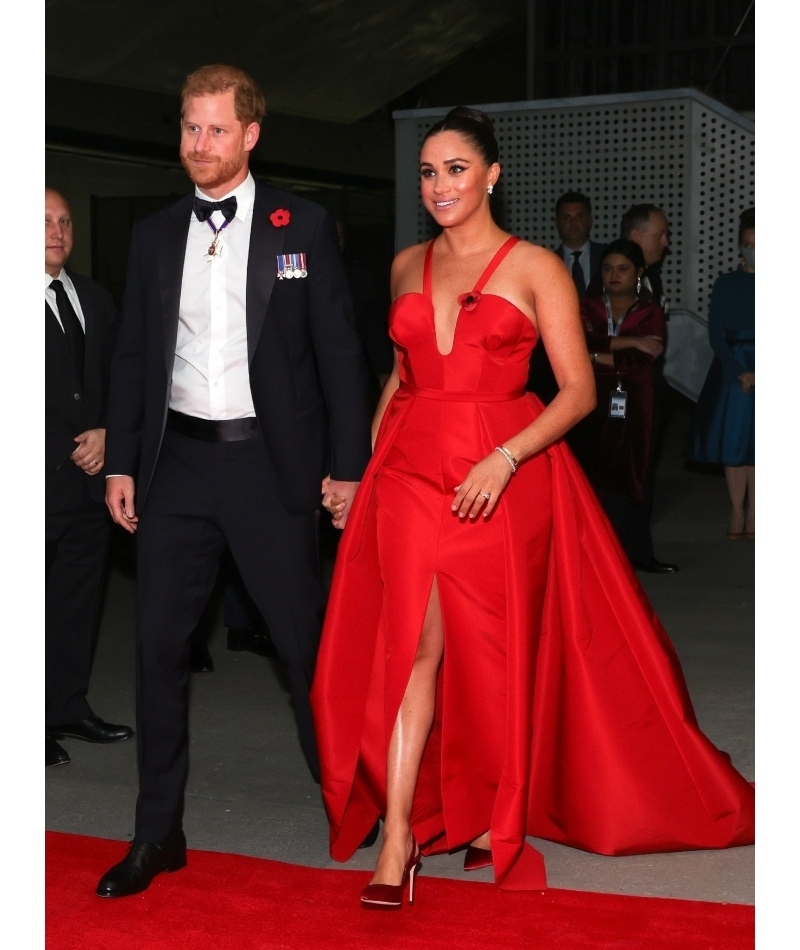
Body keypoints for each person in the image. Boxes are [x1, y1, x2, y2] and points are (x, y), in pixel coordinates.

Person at [311, 107, 754, 905]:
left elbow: (579, 390)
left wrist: (506, 456)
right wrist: (362, 473)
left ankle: (489, 812)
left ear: (491, 176)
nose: (439, 184)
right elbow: (400, 377)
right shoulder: (406, 264)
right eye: (427, 171)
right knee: (414, 645)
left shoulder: (536, 267)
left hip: (501, 476)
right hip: (410, 472)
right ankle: (402, 835)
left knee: (492, 654)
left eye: (454, 169)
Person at [95, 64, 372, 898]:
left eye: (215, 129)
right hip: (176, 464)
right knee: (156, 650)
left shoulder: (305, 226)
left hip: (269, 467)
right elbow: (136, 356)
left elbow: (340, 356)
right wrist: (120, 459)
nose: (198, 144)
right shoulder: (153, 234)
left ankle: (355, 806)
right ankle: (157, 833)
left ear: (250, 135)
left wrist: (348, 467)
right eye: (188, 127)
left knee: (303, 648)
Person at [45, 188, 134, 769]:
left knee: (76, 601)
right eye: (43, 222)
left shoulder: (95, 298)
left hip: (87, 486)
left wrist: (107, 431)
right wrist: (66, 446)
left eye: (65, 221)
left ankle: (65, 705)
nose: (57, 231)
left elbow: (121, 379)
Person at [576, 240, 671, 569]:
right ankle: (594, 555)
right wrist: (631, 341)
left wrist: (595, 357)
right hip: (591, 400)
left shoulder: (651, 312)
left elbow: (647, 358)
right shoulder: (587, 307)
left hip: (639, 400)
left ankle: (638, 553)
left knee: (635, 472)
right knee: (592, 472)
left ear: (640, 273)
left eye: (623, 269)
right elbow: (579, 343)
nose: (613, 275)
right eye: (607, 268)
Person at [686, 208, 755, 539]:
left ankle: (756, 512)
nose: (751, 249)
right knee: (735, 443)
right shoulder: (726, 283)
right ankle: (737, 511)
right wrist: (739, 370)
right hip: (733, 365)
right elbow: (716, 332)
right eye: (747, 243)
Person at [528, 191, 604, 405]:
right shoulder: (544, 263)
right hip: (557, 363)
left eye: (579, 216)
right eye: (566, 217)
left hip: (605, 358)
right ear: (556, 222)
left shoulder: (610, 258)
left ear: (590, 220)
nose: (573, 223)